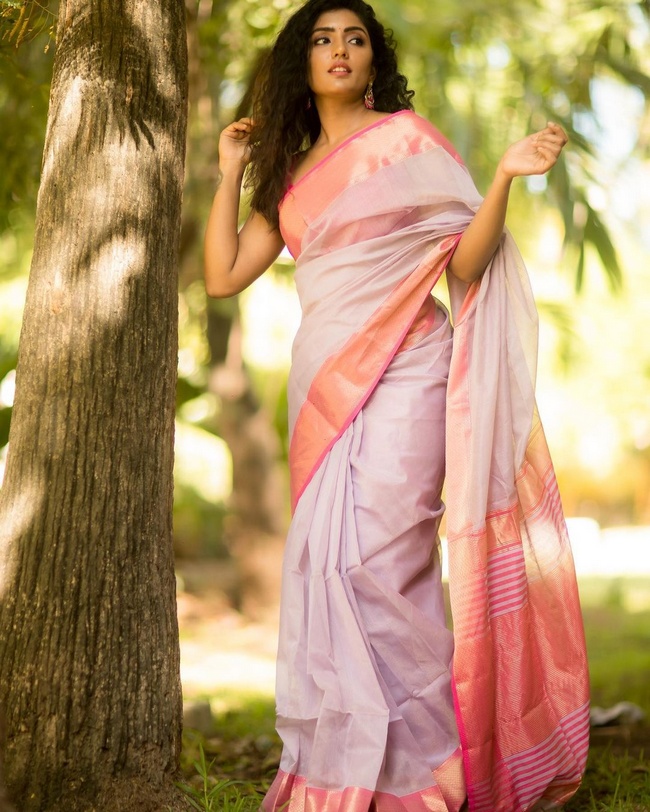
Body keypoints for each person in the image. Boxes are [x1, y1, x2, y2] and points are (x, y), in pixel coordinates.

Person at [204, 1, 590, 809]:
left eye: (355, 38)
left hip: (411, 369)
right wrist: (230, 170)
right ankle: (358, 764)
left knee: (386, 563)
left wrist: (502, 179)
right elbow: (224, 275)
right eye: (322, 39)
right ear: (302, 62)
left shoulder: (407, 142)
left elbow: (467, 264)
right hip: (324, 389)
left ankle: (432, 765)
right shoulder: (288, 174)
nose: (339, 50)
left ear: (374, 59)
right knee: (332, 567)